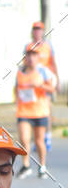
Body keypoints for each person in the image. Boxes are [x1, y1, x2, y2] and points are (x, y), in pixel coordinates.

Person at [15, 44, 56, 180]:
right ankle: (26, 165)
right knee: (24, 139)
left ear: (37, 58)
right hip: (24, 112)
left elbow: (51, 89)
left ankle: (42, 166)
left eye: (34, 55)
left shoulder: (43, 72)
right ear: (25, 58)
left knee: (39, 141)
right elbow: (16, 89)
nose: (31, 58)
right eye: (28, 55)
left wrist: (41, 85)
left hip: (40, 111)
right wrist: (17, 101)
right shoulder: (20, 72)